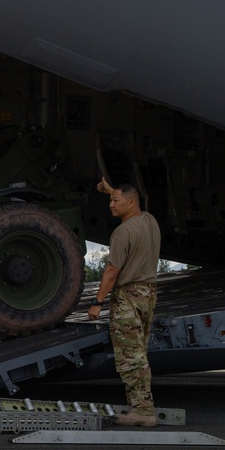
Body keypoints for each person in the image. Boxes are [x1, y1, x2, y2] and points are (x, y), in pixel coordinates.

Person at [88, 176, 161, 427]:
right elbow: (130, 198)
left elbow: (111, 272)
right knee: (140, 352)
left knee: (131, 357)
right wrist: (112, 191)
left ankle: (143, 410)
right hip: (148, 294)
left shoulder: (122, 232)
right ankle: (143, 405)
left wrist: (97, 302)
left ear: (130, 203)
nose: (111, 205)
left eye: (115, 201)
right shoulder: (149, 221)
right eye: (110, 200)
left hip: (128, 297)